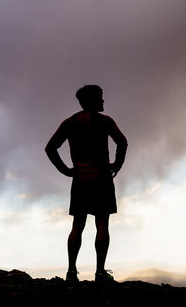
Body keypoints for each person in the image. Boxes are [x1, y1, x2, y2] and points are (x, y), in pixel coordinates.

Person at [45, 85, 128, 282]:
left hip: (80, 178)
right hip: (102, 178)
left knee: (77, 225)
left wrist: (66, 170)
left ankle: (71, 272)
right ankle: (100, 272)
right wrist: (116, 164)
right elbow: (122, 142)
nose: (103, 101)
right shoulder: (105, 122)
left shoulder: (70, 123)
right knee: (102, 224)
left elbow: (50, 148)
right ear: (92, 100)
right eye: (100, 97)